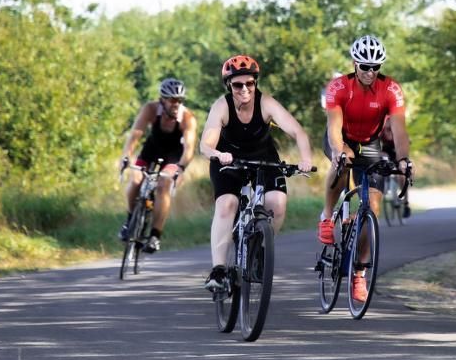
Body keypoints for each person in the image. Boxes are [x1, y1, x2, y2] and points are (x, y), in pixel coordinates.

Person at [200, 54, 314, 291]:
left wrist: (305, 159)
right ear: (228, 85)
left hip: (264, 157)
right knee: (227, 205)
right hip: (228, 159)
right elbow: (205, 144)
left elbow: (298, 132)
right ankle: (219, 270)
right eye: (237, 84)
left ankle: (260, 248)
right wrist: (217, 154)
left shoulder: (266, 103)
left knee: (277, 203)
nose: (244, 89)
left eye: (249, 83)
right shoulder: (222, 106)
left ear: (255, 83)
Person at [320, 34, 411, 302]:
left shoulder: (391, 90)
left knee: (371, 207)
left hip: (370, 143)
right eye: (364, 66)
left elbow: (400, 130)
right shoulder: (339, 87)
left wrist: (404, 160)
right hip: (341, 138)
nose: (370, 72)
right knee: (343, 162)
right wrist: (339, 150)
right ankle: (326, 217)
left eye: (376, 67)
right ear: (355, 63)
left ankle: (359, 273)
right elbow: (334, 128)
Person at [119, 77, 197, 252]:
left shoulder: (187, 118)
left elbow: (189, 149)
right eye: (171, 99)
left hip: (173, 158)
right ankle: (130, 221)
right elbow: (135, 135)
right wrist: (126, 156)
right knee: (136, 180)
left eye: (179, 100)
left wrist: (181, 168)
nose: (175, 103)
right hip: (150, 152)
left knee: (164, 186)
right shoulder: (151, 109)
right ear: (162, 99)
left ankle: (155, 235)